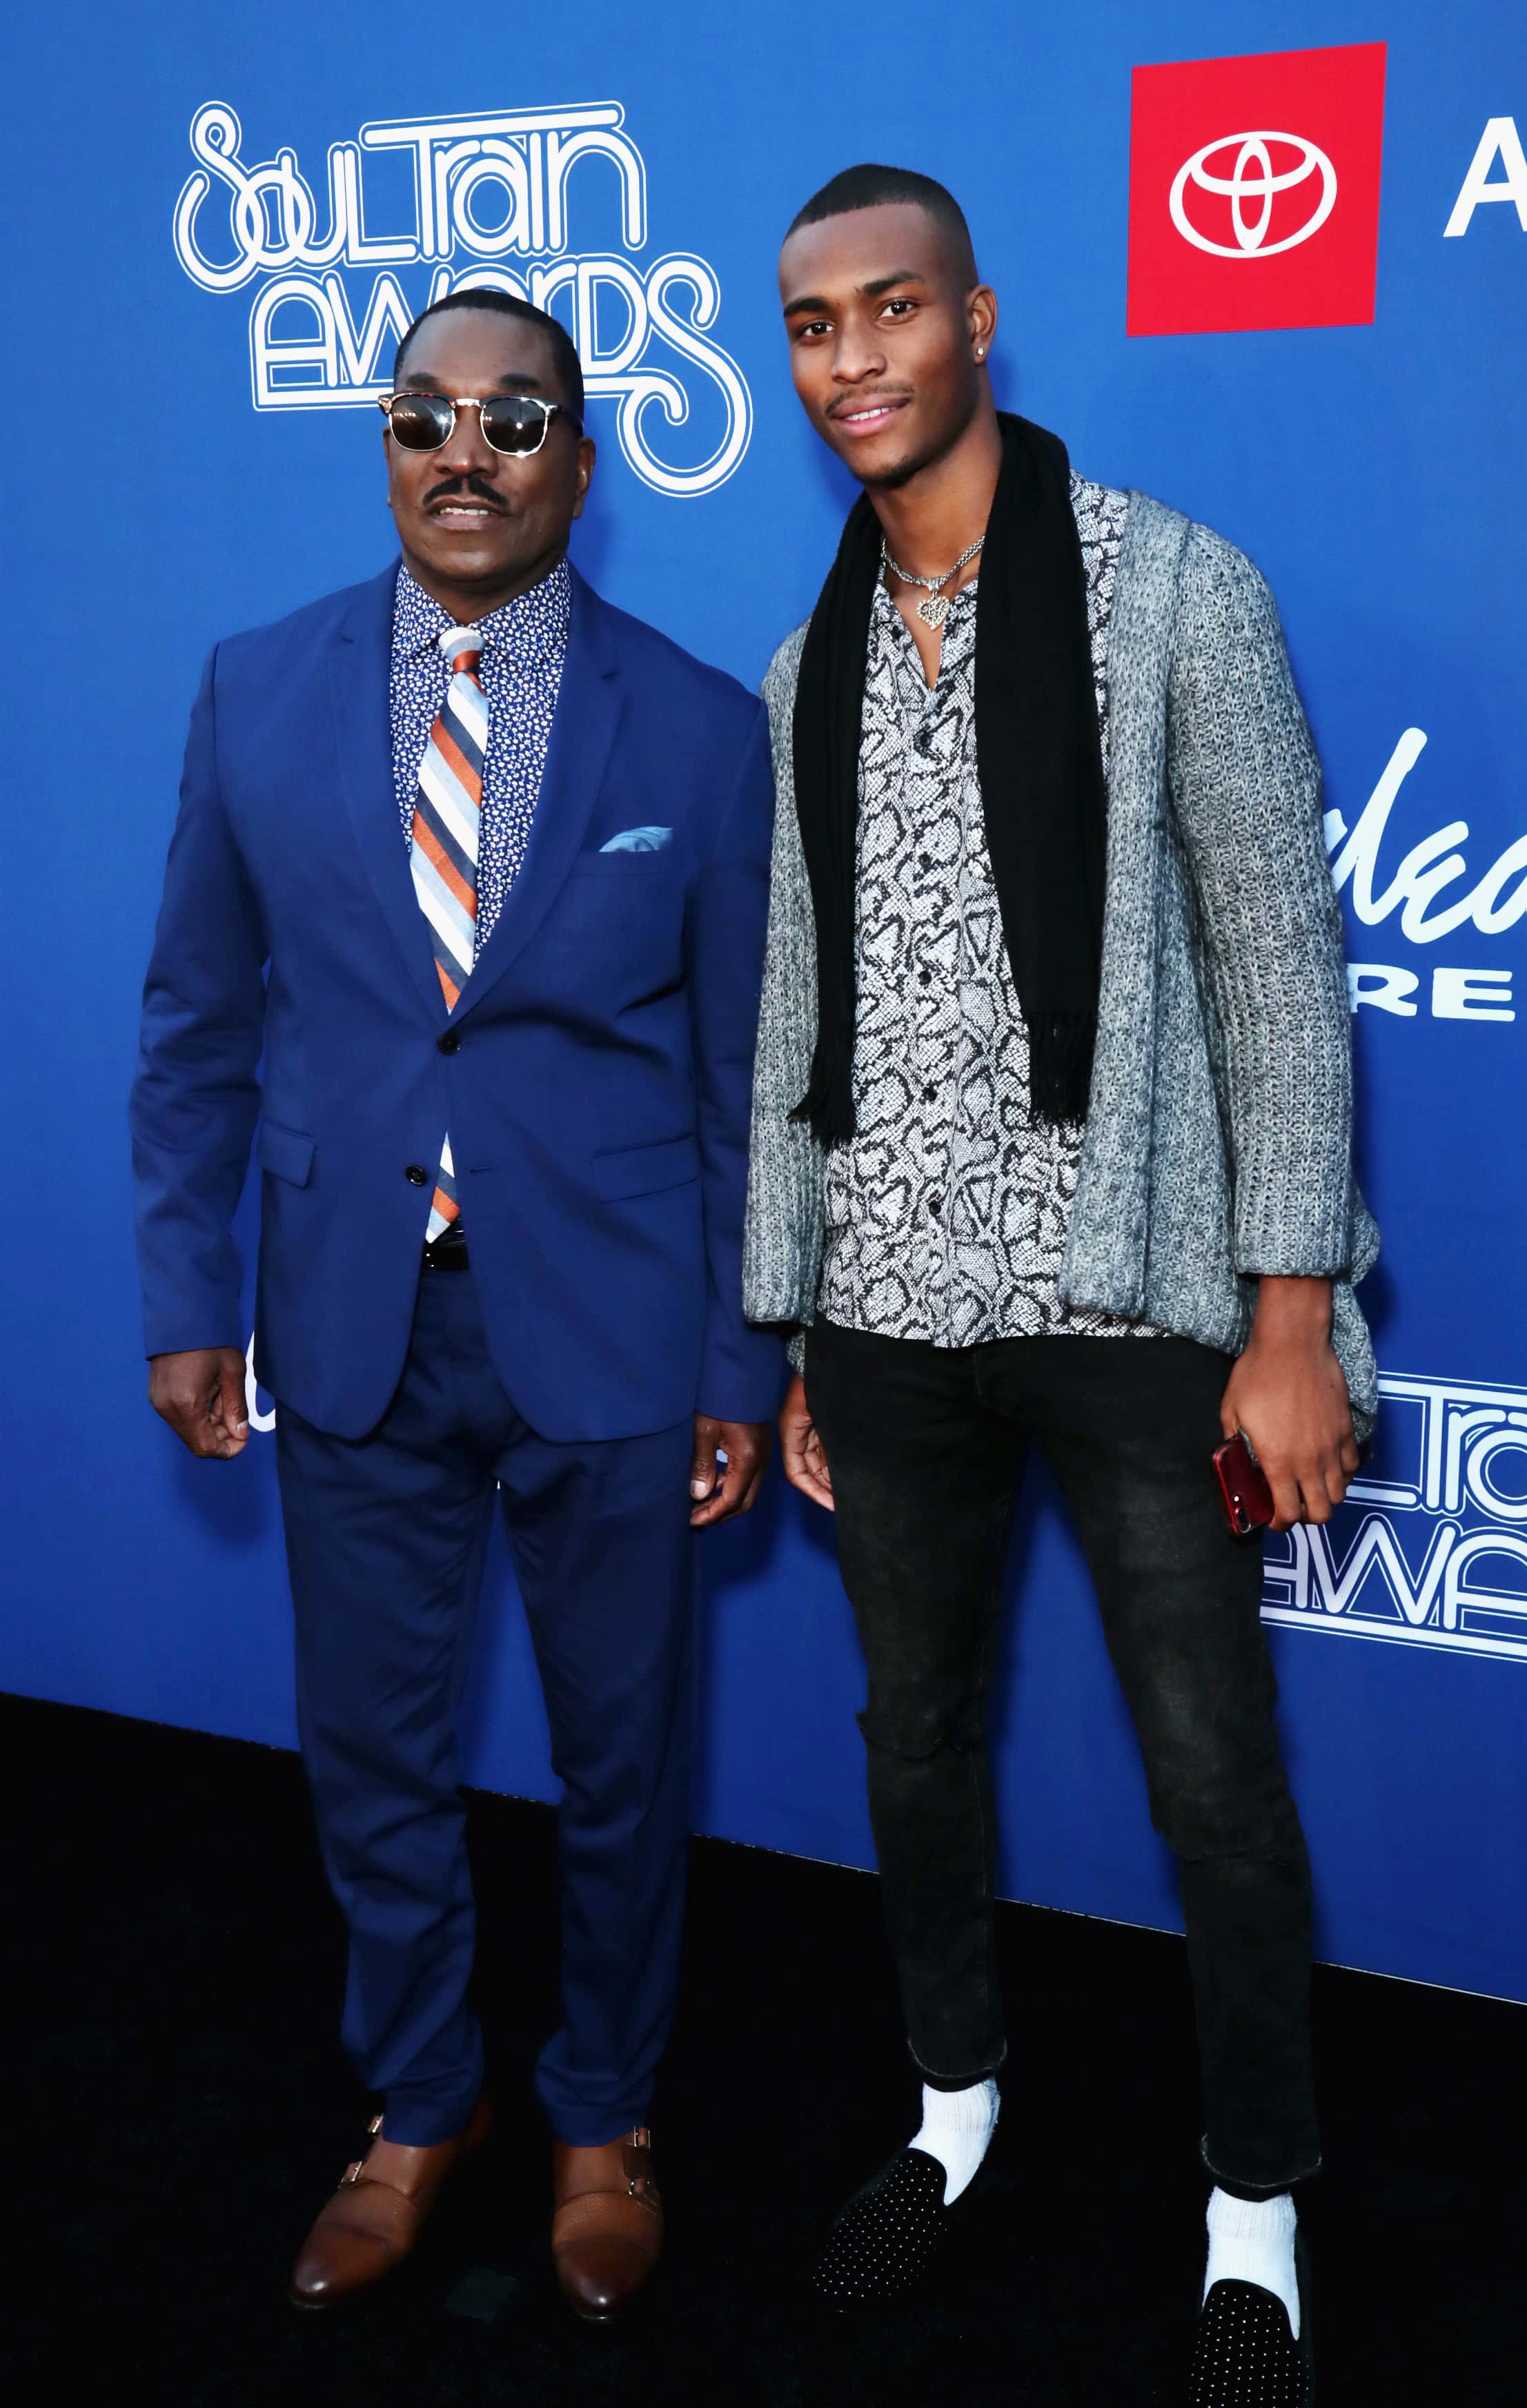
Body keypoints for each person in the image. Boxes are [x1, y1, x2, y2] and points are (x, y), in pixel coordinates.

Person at [742, 165, 1377, 2406]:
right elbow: (800, 1009)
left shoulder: (1177, 587)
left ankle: (1255, 2204)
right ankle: (952, 2106)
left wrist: (1289, 1314)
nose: (853, 361)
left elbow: (1282, 974)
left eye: (891, 308)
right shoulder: (806, 662)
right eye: (812, 325)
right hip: (888, 1322)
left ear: (979, 317)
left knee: (1213, 1775)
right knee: (912, 1742)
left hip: (1135, 1315)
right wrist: (795, 1315)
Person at [131, 288, 778, 2322]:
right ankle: (421, 2102)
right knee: (371, 1753)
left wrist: (736, 1353)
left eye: (513, 419)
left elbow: (744, 1078)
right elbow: (194, 1024)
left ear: (582, 459)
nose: (464, 453)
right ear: (386, 447)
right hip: (347, 1317)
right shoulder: (255, 687)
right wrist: (187, 1290)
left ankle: (604, 2115)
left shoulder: (701, 726)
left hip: (614, 1327)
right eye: (423, 416)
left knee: (622, 1761)